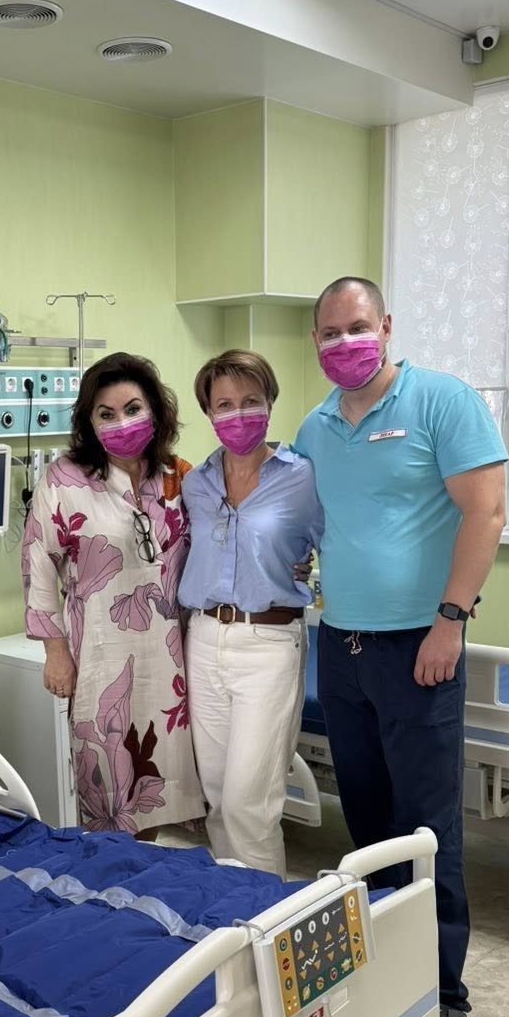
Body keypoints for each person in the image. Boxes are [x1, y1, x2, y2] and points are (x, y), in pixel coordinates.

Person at [295, 277, 508, 1017]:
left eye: (356, 327)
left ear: (385, 326)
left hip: (420, 644)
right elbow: (310, 522)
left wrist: (450, 620)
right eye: (329, 333)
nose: (343, 343)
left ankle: (444, 995)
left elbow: (486, 511)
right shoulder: (314, 427)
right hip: (340, 644)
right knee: (367, 819)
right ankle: (387, 970)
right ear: (315, 342)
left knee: (427, 827)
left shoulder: (442, 401)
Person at [22, 352, 205, 837]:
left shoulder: (180, 476)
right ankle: (112, 877)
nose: (122, 421)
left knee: (160, 791)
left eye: (133, 408)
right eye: (106, 413)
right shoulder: (64, 479)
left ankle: (151, 871)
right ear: (89, 421)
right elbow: (38, 564)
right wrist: (55, 651)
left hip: (173, 661)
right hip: (100, 658)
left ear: (155, 411)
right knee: (109, 794)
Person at [179, 350, 322, 877]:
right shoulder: (196, 483)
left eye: (250, 400)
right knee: (217, 797)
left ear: (269, 403)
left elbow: (340, 541)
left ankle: (265, 919)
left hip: (268, 645)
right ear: (208, 412)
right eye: (224, 404)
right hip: (203, 638)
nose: (237, 414)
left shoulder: (302, 478)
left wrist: (311, 572)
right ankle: (230, 913)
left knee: (250, 804)